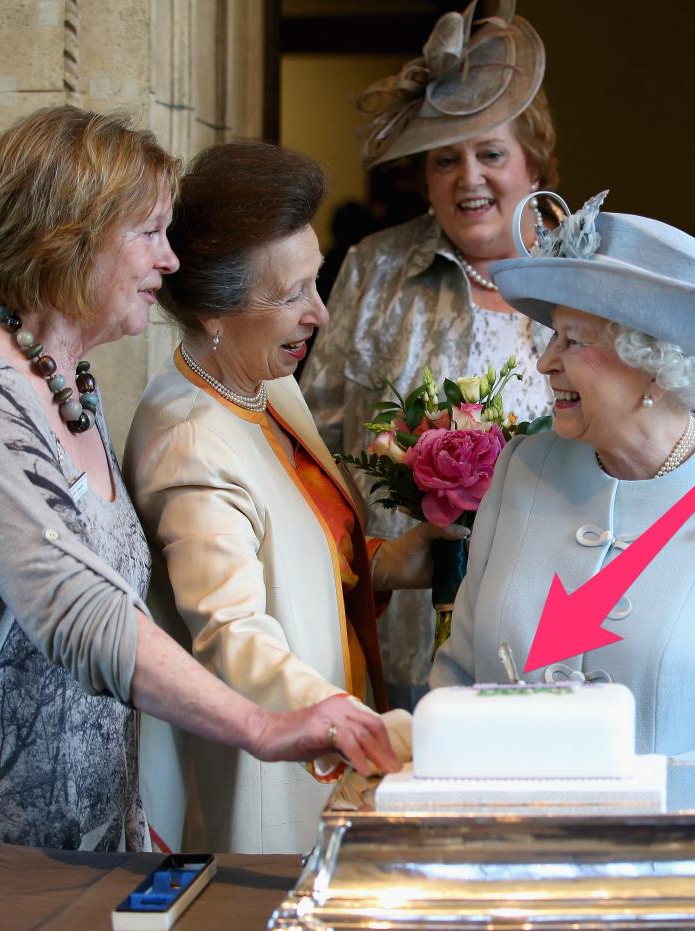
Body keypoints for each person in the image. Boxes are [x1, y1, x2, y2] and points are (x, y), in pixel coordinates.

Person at [0, 107, 397, 853]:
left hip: (93, 832)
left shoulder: (70, 384)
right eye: (148, 232)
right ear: (66, 236)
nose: (171, 261)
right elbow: (78, 610)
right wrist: (265, 723)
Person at [429, 192, 695, 838]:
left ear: (653, 366)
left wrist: (670, 791)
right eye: (551, 335)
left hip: (679, 872)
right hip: (512, 861)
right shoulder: (522, 469)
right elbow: (457, 677)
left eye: (573, 339)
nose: (545, 360)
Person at [125, 142, 460, 854]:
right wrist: (343, 720)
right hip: (273, 767)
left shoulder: (262, 381)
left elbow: (301, 552)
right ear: (216, 310)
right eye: (292, 295)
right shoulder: (191, 442)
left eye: (317, 282)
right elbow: (233, 634)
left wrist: (400, 558)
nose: (322, 315)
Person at [300, 0, 558, 708]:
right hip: (408, 623)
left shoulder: (584, 277)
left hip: (551, 615)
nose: (468, 178)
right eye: (446, 159)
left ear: (535, 161)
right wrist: (361, 572)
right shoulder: (375, 268)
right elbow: (318, 442)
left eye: (490, 154)